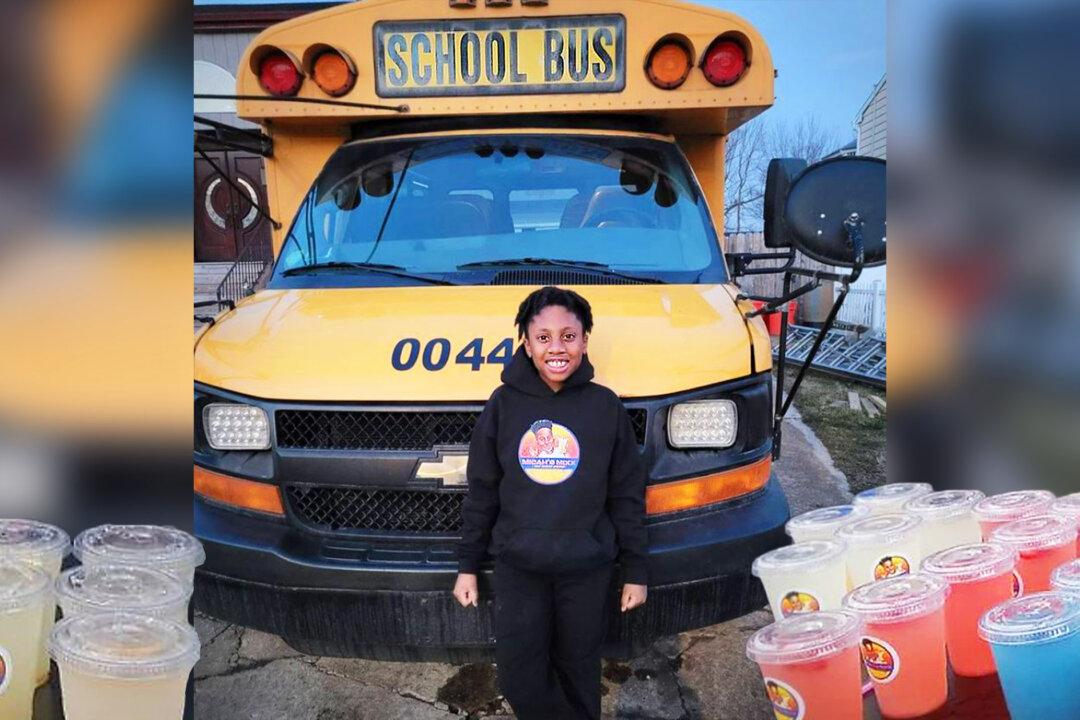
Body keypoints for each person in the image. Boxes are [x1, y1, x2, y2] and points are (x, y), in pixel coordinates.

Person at [453, 286, 649, 720]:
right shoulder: (503, 405)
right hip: (520, 567)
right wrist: (468, 564)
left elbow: (626, 495)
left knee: (580, 671)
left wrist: (636, 571)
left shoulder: (605, 407)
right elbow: (482, 490)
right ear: (526, 343)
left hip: (587, 568)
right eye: (543, 337)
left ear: (584, 341)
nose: (556, 348)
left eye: (568, 336)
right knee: (519, 677)